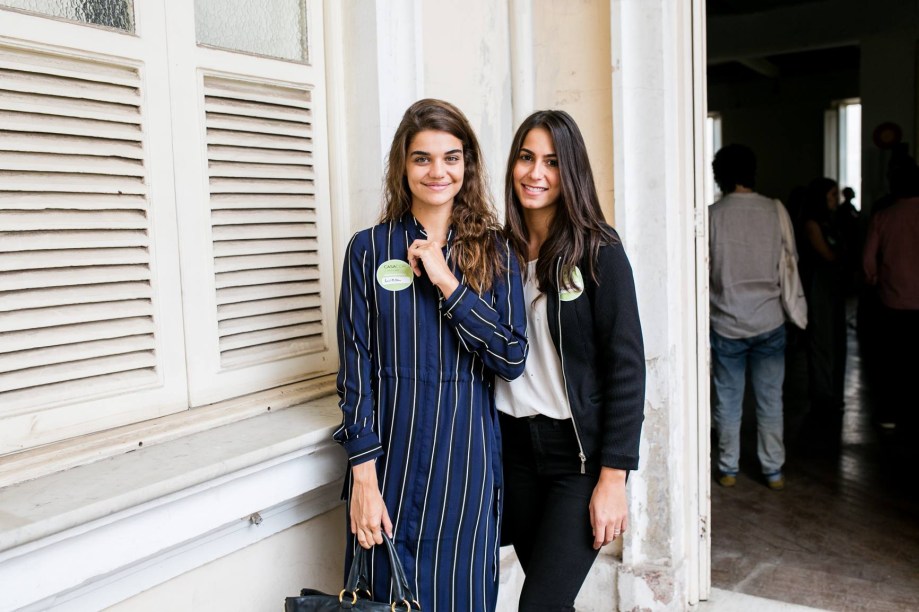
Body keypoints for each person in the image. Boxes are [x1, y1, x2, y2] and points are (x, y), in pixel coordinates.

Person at [333, 98, 528, 611]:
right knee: (382, 598)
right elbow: (356, 371)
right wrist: (363, 478)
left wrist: (447, 282)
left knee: (461, 597)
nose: (437, 171)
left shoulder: (497, 252)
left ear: (467, 165)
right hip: (388, 465)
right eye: (422, 158)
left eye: (451, 157)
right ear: (403, 164)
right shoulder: (369, 250)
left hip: (465, 466)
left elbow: (510, 356)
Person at [495, 109, 645, 611]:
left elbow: (627, 368)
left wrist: (613, 477)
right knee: (550, 601)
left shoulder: (598, 251)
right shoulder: (497, 254)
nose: (536, 173)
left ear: (572, 172)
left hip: (574, 459)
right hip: (511, 451)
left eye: (553, 162)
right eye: (526, 157)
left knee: (538, 606)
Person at [708, 144, 790, 491]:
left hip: (726, 321)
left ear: (719, 174)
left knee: (728, 400)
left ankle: (728, 468)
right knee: (771, 400)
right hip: (769, 319)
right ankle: (773, 471)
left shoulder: (712, 215)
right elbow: (789, 262)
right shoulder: (774, 209)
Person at [862, 163, 919, 431]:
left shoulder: (883, 217)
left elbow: (868, 260)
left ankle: (890, 414)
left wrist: (874, 279)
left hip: (893, 299)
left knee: (892, 361)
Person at [800, 177, 848, 414]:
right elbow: (828, 255)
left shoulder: (831, 222)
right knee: (822, 338)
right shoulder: (812, 224)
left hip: (832, 284)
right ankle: (823, 392)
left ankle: (831, 391)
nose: (836, 200)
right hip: (819, 284)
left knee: (835, 338)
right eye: (831, 195)